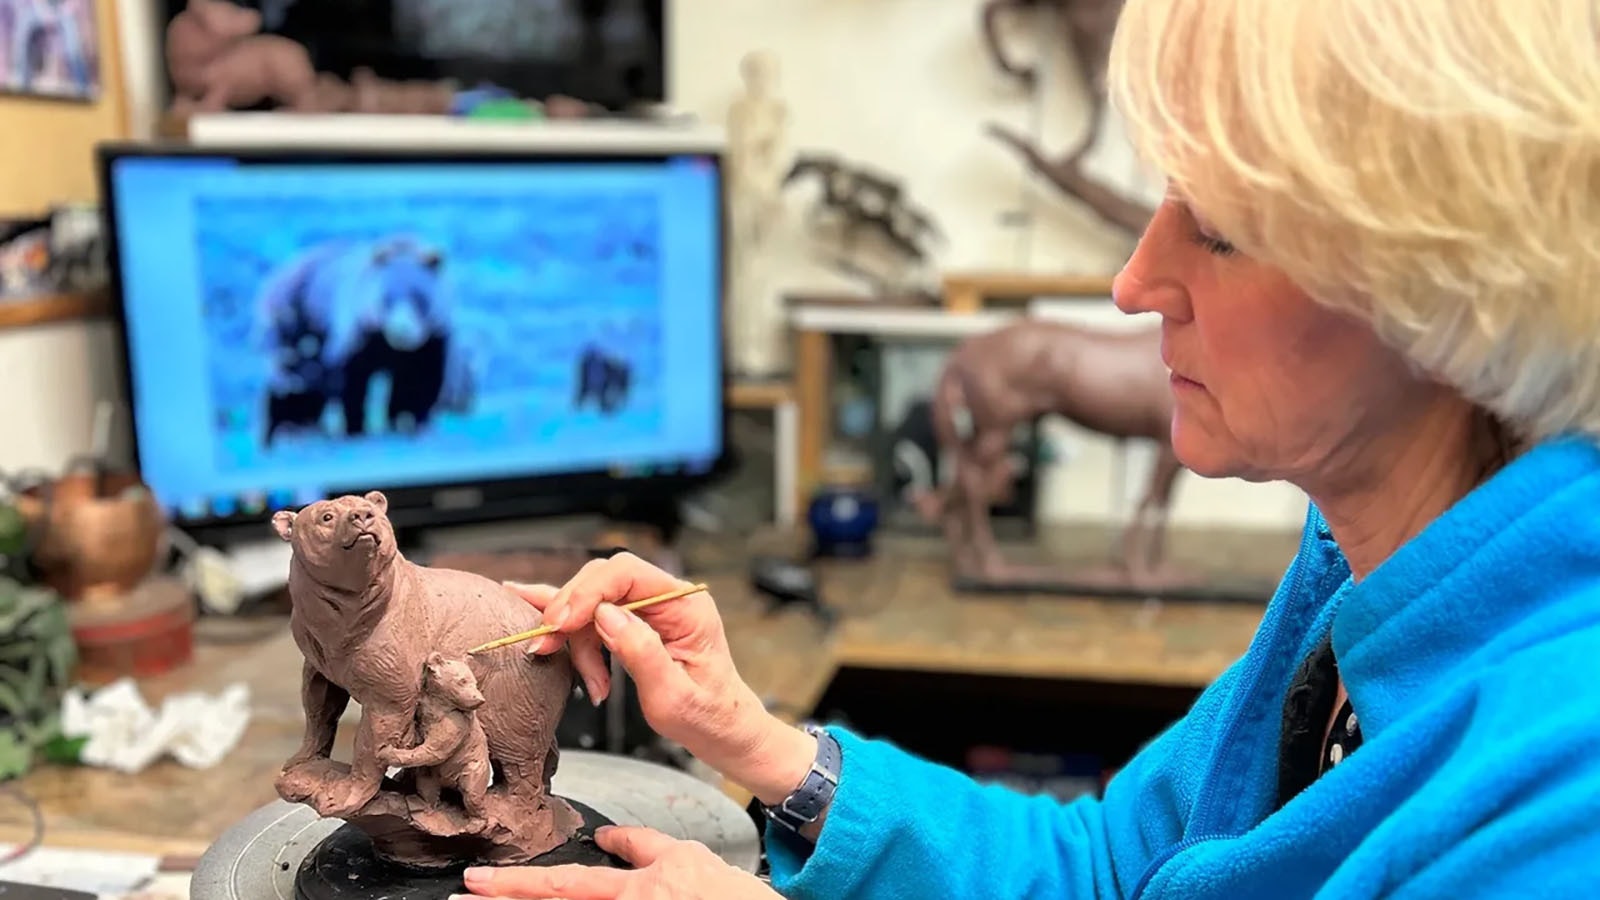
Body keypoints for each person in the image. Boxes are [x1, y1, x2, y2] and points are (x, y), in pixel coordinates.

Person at [456, 0, 1600, 896]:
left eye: (1219, 229)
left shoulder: (1560, 802)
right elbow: (1109, 872)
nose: (1136, 280)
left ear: (1450, 288)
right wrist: (753, 739)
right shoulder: (1362, 567)